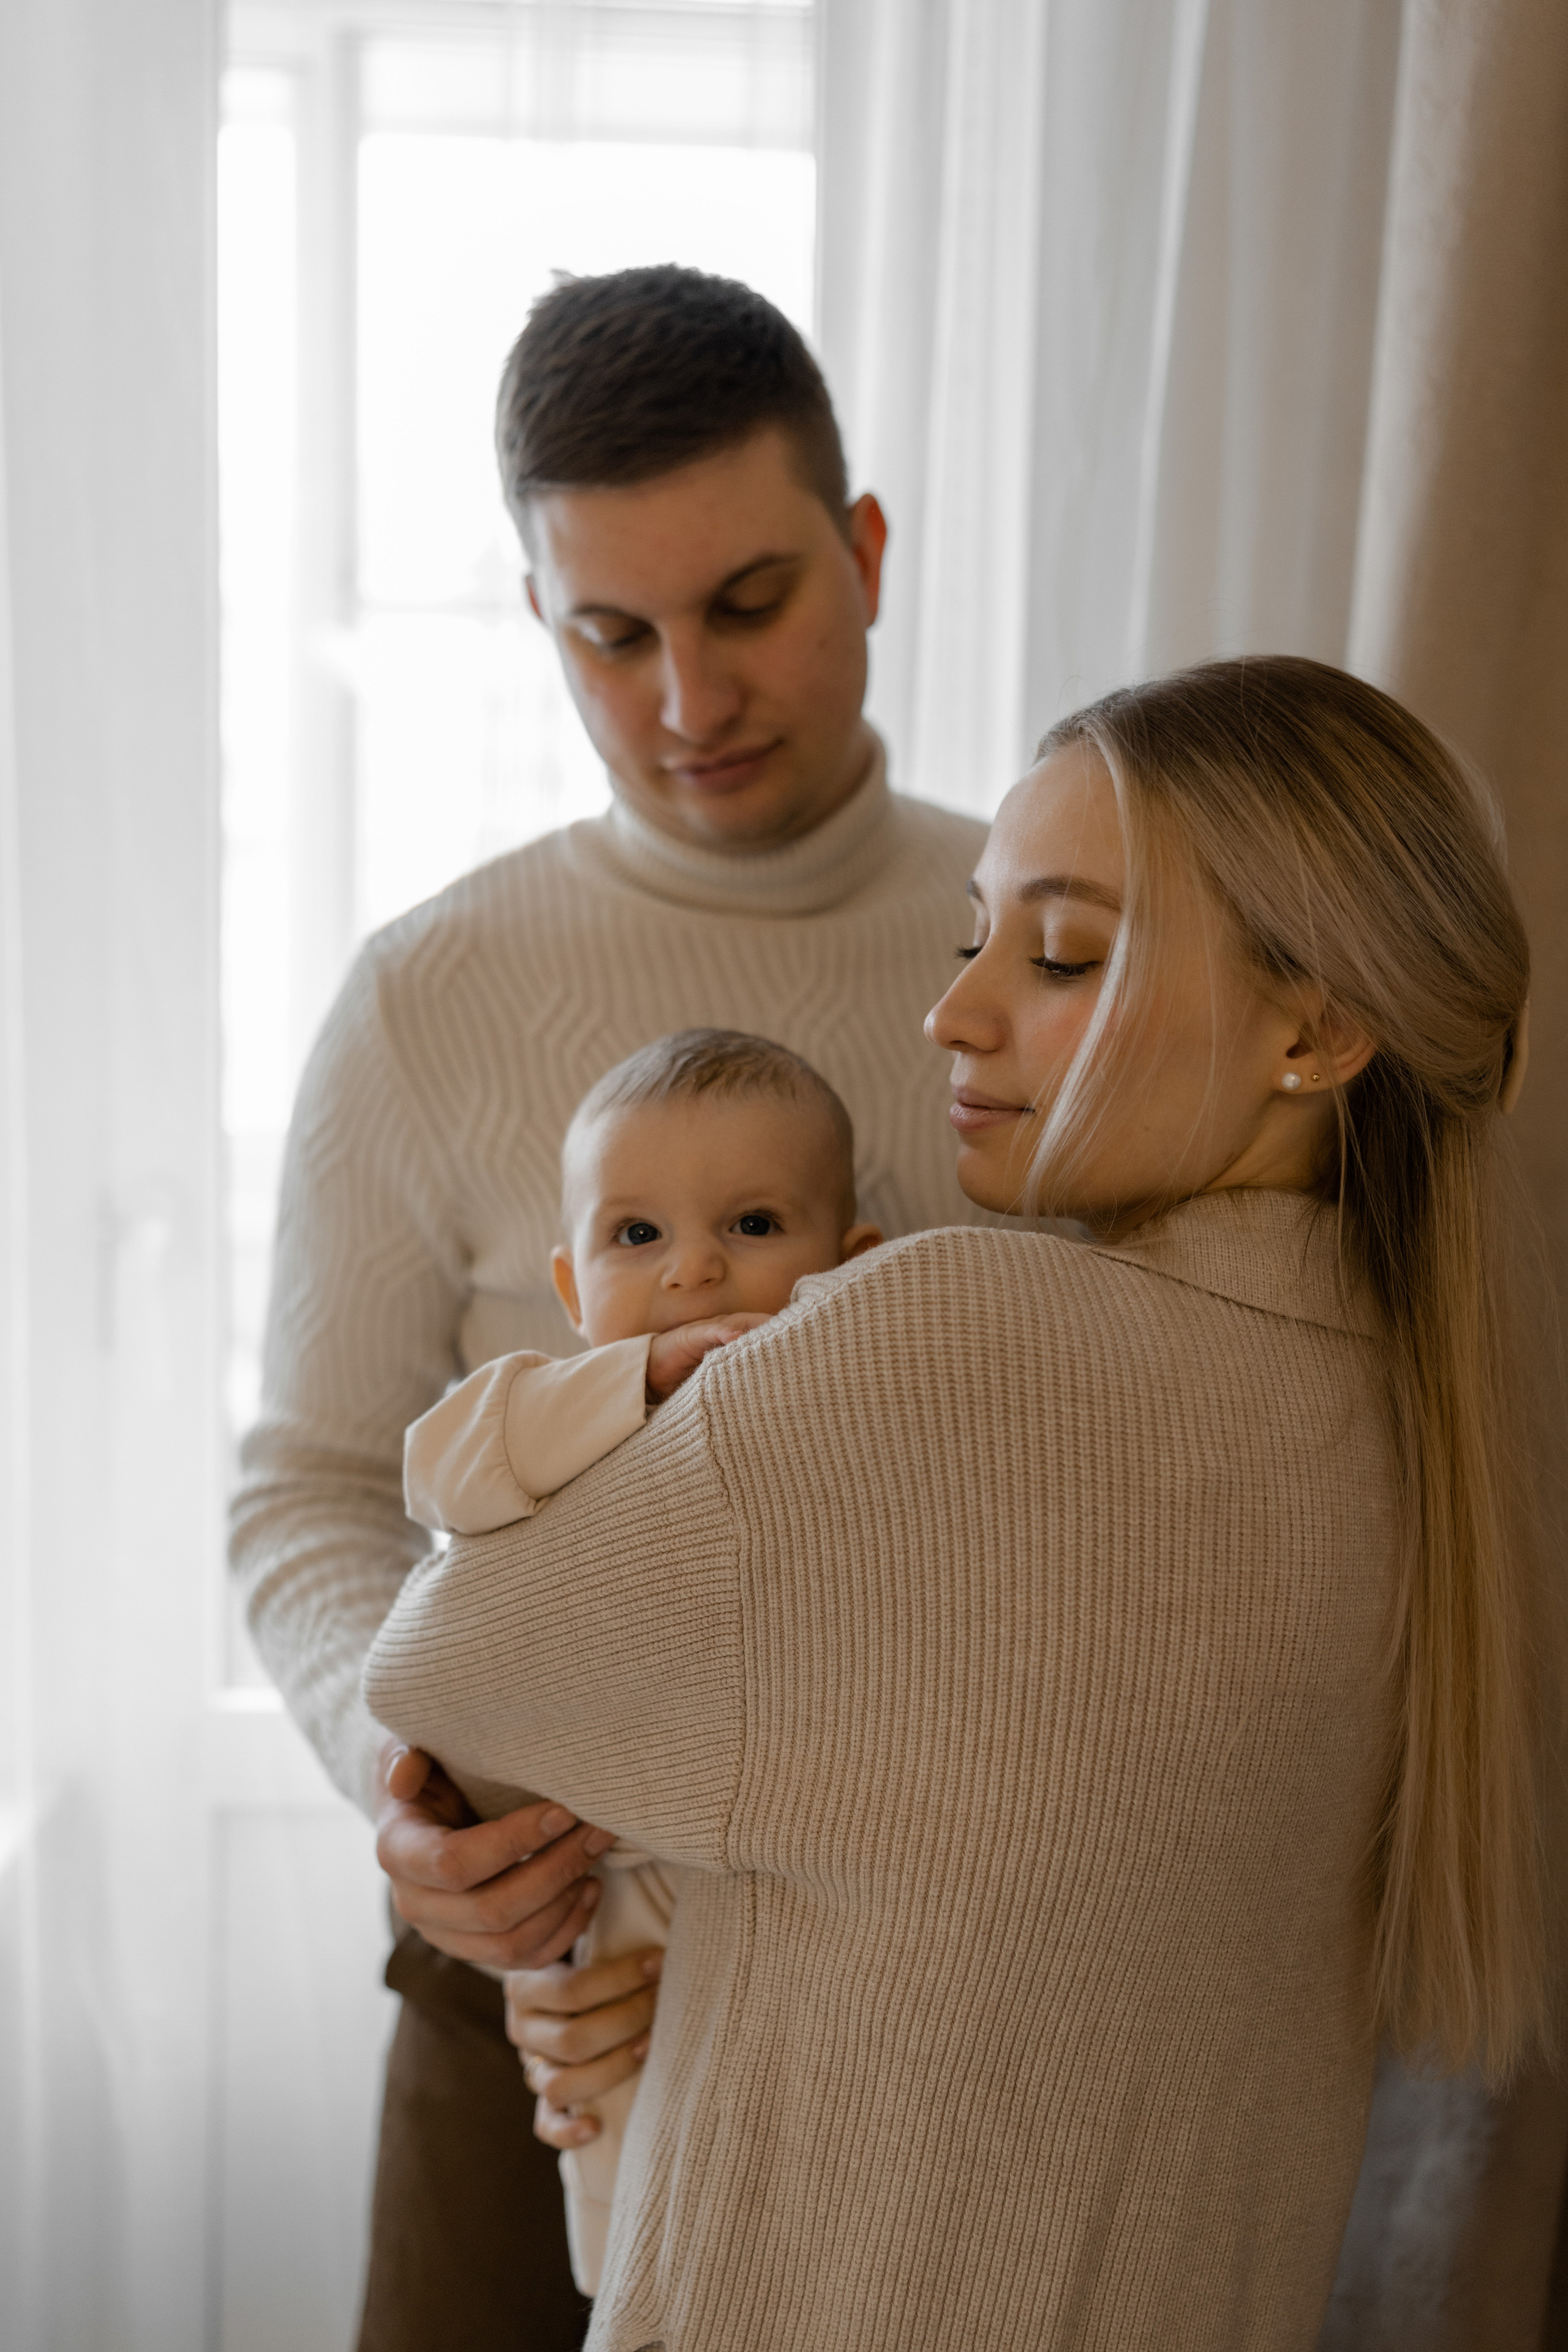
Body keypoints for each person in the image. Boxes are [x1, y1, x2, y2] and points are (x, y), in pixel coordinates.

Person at [364, 656, 1551, 2351]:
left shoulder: (945, 1342)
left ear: (1318, 1029)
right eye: (971, 938)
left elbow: (450, 1662)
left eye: (1062, 953)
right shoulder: (1423, 1427)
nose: (955, 1013)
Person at [229, 264, 990, 2350]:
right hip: (539, 1948)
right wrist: (408, 1783)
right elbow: (302, 1486)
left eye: (747, 603)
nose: (684, 699)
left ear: (865, 554)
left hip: (933, 1974)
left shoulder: (1051, 949)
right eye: (610, 633)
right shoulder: (430, 997)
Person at [403, 1026, 883, 2294]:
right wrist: (635, 1383)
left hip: (798, 1884)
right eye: (637, 1238)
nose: (696, 1270)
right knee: (620, 2178)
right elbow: (433, 1471)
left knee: (803, 2220)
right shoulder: (551, 1417)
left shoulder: (872, 1430)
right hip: (600, 1871)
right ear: (568, 1285)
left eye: (755, 1224)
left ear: (854, 1268)